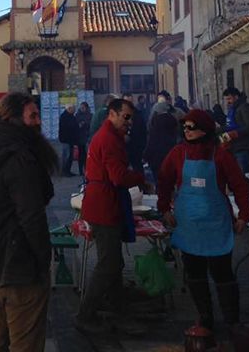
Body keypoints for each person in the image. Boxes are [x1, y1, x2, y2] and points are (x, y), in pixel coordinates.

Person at [0, 93, 56, 352]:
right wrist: (43, 259)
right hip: (19, 266)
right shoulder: (19, 157)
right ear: (14, 119)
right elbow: (31, 217)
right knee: (25, 342)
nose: (38, 122)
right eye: (33, 116)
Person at [158, 109, 249, 334]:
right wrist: (163, 208)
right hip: (189, 224)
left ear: (205, 130)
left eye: (192, 127)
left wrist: (244, 215)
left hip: (216, 224)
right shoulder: (177, 153)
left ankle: (232, 319)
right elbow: (164, 181)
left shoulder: (220, 155)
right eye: (185, 127)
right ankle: (205, 318)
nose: (187, 131)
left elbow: (239, 185)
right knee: (194, 273)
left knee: (222, 273)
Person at [76, 98, 145, 336]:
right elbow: (118, 177)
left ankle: (118, 308)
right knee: (108, 263)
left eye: (131, 118)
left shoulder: (110, 137)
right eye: (125, 117)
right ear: (112, 114)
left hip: (104, 202)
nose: (129, 122)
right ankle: (85, 313)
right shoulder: (108, 139)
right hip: (104, 205)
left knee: (114, 262)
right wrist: (140, 178)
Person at [220, 87, 249, 174]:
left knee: (243, 176)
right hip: (235, 147)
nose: (227, 102)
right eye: (226, 99)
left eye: (229, 99)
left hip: (245, 148)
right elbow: (229, 127)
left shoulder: (245, 107)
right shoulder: (233, 110)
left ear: (236, 97)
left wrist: (234, 134)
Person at [144, 110, 179, 182]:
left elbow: (150, 147)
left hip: (156, 162)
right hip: (170, 163)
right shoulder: (173, 134)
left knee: (159, 182)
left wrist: (146, 157)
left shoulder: (155, 133)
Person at [123, 93, 147, 174]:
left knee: (137, 168)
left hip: (136, 147)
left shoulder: (138, 114)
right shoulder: (119, 115)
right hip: (123, 148)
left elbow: (143, 131)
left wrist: (142, 146)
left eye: (130, 101)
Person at [58, 105, 79, 176]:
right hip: (66, 139)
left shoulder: (71, 116)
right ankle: (64, 171)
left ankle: (68, 171)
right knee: (66, 156)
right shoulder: (64, 116)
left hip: (71, 140)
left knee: (70, 156)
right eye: (73, 109)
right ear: (69, 109)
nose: (74, 110)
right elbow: (67, 127)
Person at [75, 102, 93, 176]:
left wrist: (86, 123)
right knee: (81, 154)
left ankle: (87, 169)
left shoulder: (90, 115)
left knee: (88, 155)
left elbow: (91, 124)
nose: (82, 109)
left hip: (88, 136)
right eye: (81, 107)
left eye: (83, 107)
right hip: (80, 137)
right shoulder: (77, 115)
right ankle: (80, 170)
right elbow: (75, 125)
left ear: (86, 107)